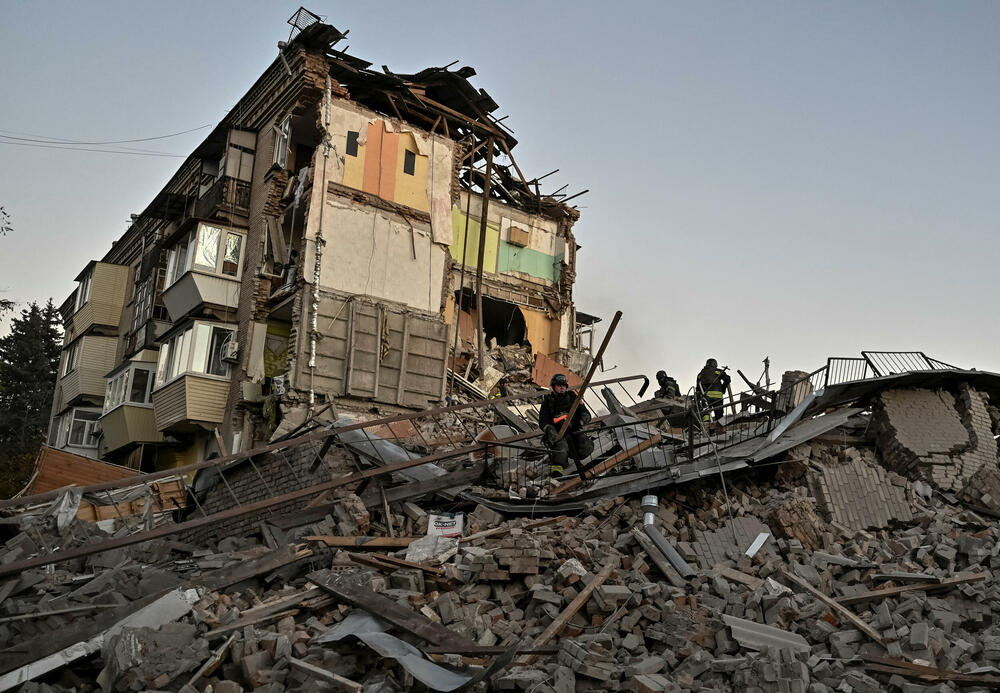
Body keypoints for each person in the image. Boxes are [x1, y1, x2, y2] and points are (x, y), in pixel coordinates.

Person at [539, 373, 593, 479]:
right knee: (561, 448)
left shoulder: (573, 397)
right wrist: (550, 430)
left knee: (586, 446)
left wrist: (580, 422)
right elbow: (543, 421)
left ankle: (575, 460)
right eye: (559, 385)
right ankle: (556, 471)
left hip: (573, 429)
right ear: (554, 386)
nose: (562, 387)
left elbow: (586, 413)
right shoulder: (548, 401)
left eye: (564, 385)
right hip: (558, 433)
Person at [697, 358, 731, 422]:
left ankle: (706, 426)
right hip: (717, 397)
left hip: (705, 397)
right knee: (719, 415)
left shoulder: (700, 374)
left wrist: (699, 398)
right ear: (715, 364)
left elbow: (698, 388)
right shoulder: (717, 371)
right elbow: (728, 379)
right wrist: (723, 388)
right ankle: (720, 427)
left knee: (706, 414)